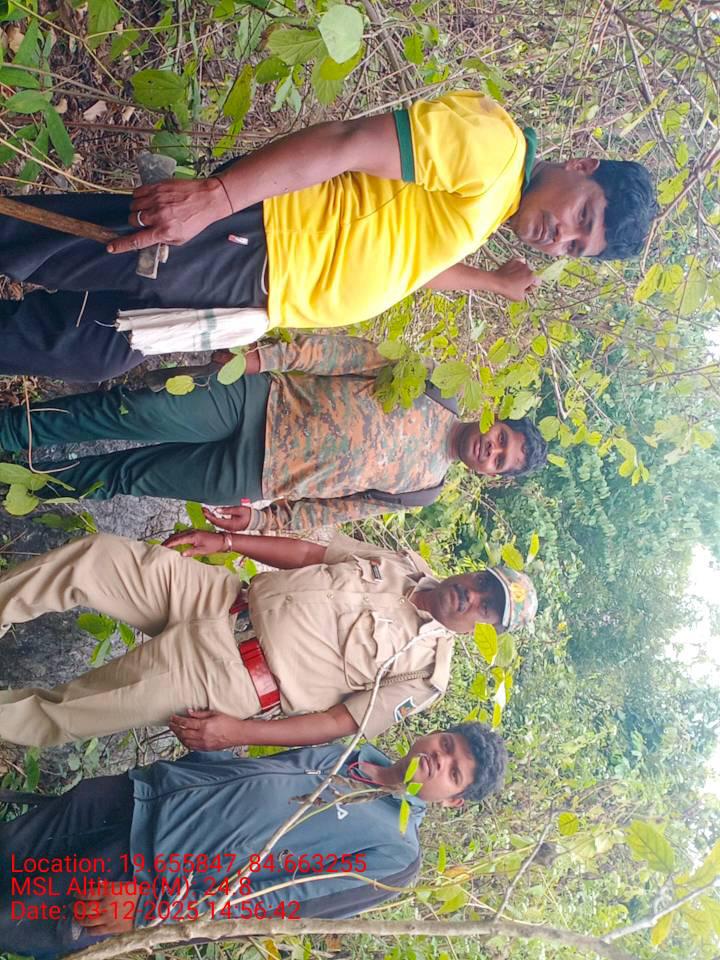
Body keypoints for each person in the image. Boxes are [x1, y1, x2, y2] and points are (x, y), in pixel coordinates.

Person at [0, 90, 657, 381]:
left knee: (85, 350)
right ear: (581, 167)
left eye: (575, 248)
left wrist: (488, 282)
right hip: (256, 243)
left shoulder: (492, 206)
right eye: (583, 217)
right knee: (47, 246)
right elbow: (348, 142)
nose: (561, 237)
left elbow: (408, 267)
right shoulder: (494, 150)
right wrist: (218, 197)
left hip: (253, 297)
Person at [0, 723, 507, 958]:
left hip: (140, 879)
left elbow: (277, 903)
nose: (440, 759)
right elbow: (252, 776)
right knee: (7, 848)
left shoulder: (396, 853)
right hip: (135, 802)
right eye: (446, 745)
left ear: (453, 801)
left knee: (9, 917)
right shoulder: (352, 750)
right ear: (434, 734)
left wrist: (151, 911)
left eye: (454, 772)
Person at [0, 528, 537, 749]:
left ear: (486, 628)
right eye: (481, 583)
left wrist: (238, 732)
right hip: (218, 597)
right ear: (474, 571)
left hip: (229, 676)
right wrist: (228, 540)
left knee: (67, 712)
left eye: (487, 606)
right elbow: (310, 554)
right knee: (96, 557)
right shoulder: (403, 565)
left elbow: (338, 722)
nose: (473, 596)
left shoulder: (424, 673)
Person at [0, 334, 548, 519]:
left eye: (500, 461)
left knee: (126, 476)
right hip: (256, 400)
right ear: (494, 419)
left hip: (252, 478)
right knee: (128, 412)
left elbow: (337, 510)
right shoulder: (432, 385)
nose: (491, 450)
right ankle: (9, 432)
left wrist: (264, 522)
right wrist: (265, 358)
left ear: (491, 476)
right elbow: (342, 354)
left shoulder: (423, 491)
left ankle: (20, 487)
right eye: (501, 439)